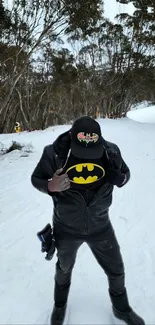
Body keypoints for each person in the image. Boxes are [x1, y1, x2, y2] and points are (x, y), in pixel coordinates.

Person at [31, 116, 145, 325]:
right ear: (72, 140)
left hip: (100, 226)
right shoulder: (55, 153)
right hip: (66, 227)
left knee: (116, 269)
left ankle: (121, 309)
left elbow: (126, 174)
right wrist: (50, 186)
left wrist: (121, 179)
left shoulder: (111, 152)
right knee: (64, 268)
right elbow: (35, 179)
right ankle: (59, 306)